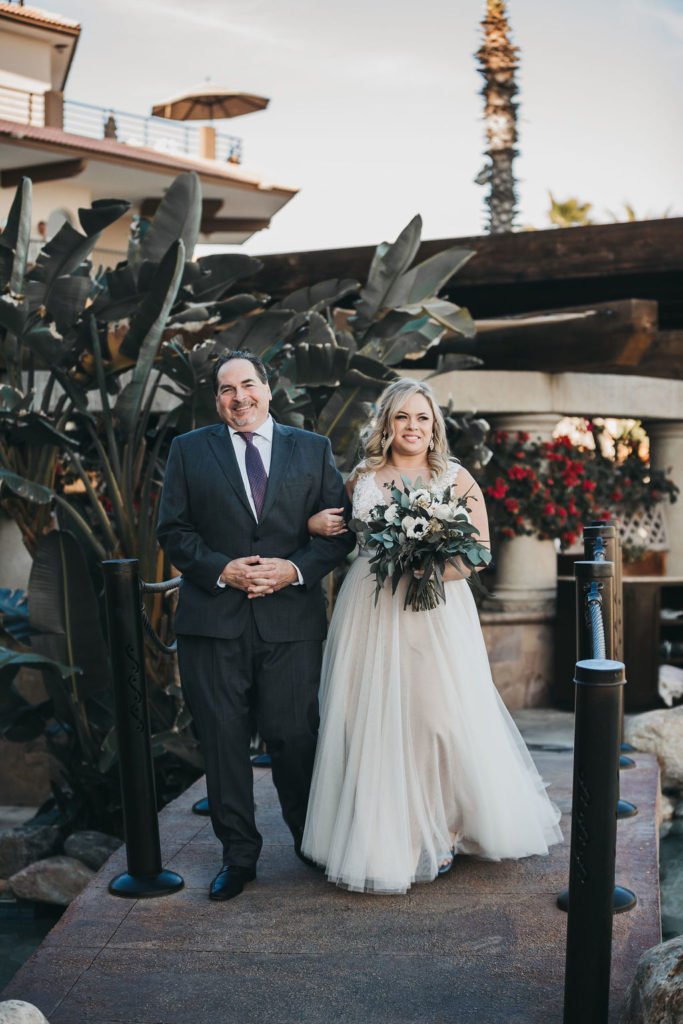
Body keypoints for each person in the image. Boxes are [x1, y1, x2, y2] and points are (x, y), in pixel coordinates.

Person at [301, 378, 562, 894]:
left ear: (434, 426)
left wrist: (426, 571)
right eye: (402, 418)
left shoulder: (457, 478)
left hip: (435, 612)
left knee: (435, 718)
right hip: (370, 609)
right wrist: (312, 524)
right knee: (370, 717)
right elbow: (339, 530)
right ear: (387, 424)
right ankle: (389, 834)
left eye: (422, 418)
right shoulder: (361, 479)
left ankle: (443, 827)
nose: (413, 427)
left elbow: (480, 551)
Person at [157, 350, 355, 901]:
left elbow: (340, 533)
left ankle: (308, 844)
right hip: (211, 623)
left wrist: (293, 568)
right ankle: (238, 856)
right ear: (216, 399)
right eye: (225, 389)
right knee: (222, 743)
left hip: (290, 624)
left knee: (294, 737)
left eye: (247, 385)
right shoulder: (188, 450)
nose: (237, 397)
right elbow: (172, 530)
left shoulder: (311, 450)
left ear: (269, 391)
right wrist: (221, 569)